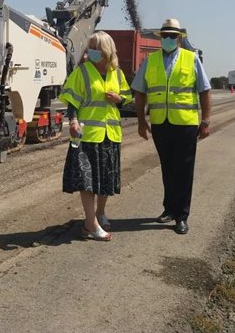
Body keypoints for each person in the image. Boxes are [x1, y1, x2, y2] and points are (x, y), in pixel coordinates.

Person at [131, 18, 212, 235]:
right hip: (160, 123)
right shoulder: (151, 60)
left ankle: (181, 216)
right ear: (160, 38)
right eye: (165, 35)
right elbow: (140, 91)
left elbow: (204, 90)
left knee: (183, 170)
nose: (168, 39)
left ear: (179, 38)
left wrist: (205, 121)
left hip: (185, 124)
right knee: (167, 168)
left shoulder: (191, 58)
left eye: (172, 36)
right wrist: (141, 121)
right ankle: (169, 209)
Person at [59, 31, 132, 241]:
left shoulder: (117, 74)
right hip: (87, 135)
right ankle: (91, 223)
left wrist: (119, 99)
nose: (92, 51)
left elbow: (127, 99)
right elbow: (72, 101)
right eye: (90, 47)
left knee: (106, 180)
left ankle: (100, 212)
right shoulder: (82, 72)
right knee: (87, 181)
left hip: (110, 135)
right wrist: (72, 121)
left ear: (106, 50)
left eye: (96, 48)